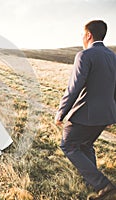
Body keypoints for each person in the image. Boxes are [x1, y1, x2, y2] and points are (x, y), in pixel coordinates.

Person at [55, 20, 116, 200]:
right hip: (106, 114)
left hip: (86, 113)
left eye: (83, 34)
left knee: (68, 144)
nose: (82, 37)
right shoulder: (113, 57)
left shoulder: (84, 55)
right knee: (86, 144)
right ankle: (95, 182)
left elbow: (74, 88)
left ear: (88, 34)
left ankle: (105, 186)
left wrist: (61, 112)